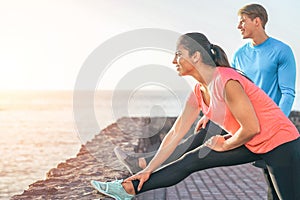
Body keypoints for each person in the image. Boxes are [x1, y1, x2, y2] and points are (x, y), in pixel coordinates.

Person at [114, 4, 297, 199]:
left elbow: (277, 94)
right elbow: (177, 130)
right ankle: (131, 184)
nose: (174, 61)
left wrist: (274, 124)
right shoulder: (233, 61)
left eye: (178, 54)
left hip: (276, 139)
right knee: (194, 156)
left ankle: (139, 170)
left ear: (196, 56)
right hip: (250, 134)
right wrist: (211, 115)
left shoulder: (279, 51)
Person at [231, 4, 296, 200]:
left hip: (276, 133)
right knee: (271, 184)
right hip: (255, 131)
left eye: (243, 21)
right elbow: (233, 94)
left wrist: (275, 124)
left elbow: (288, 93)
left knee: (285, 191)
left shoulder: (281, 51)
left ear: (257, 21)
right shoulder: (239, 55)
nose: (238, 26)